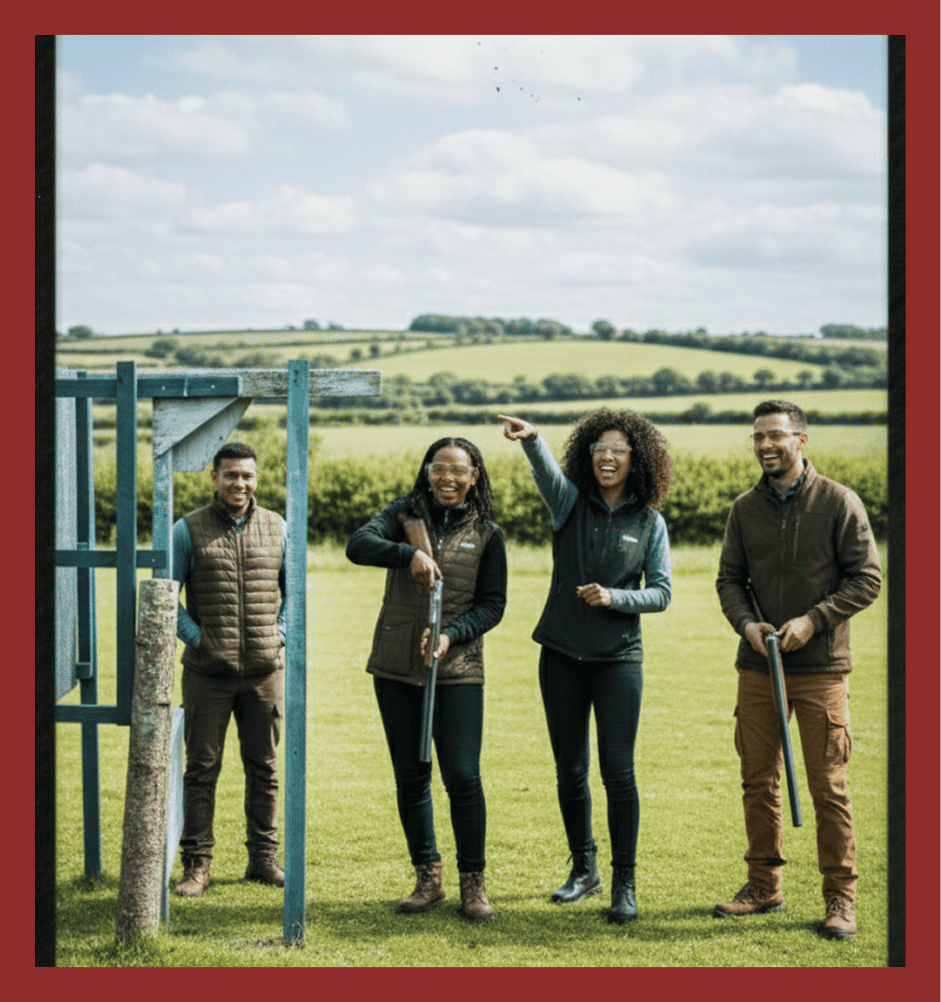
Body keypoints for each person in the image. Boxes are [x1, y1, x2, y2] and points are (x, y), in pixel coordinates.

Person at [714, 400, 882, 939]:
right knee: (757, 780)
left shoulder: (839, 503)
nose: (765, 445)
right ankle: (763, 886)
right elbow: (729, 582)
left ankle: (841, 898)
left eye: (776, 436)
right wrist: (747, 627)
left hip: (820, 668)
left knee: (827, 784)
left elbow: (867, 579)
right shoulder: (744, 508)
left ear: (801, 440)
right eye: (758, 436)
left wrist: (814, 621)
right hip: (758, 668)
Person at [499, 410, 673, 924]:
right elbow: (546, 474)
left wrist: (614, 596)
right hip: (560, 655)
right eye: (599, 448)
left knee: (618, 773)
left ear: (635, 459)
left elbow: (661, 593)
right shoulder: (569, 505)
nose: (607, 456)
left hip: (618, 660)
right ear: (588, 456)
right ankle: (584, 871)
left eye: (618, 449)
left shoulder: (650, 522)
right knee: (571, 770)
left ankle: (624, 882)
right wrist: (533, 440)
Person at [346, 436, 507, 922]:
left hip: (457, 669)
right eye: (440, 468)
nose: (449, 478)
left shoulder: (487, 534)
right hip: (396, 664)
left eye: (460, 470)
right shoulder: (402, 515)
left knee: (463, 775)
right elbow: (357, 546)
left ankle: (473, 884)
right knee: (412, 775)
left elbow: (493, 606)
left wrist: (451, 636)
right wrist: (407, 555)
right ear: (427, 470)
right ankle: (427, 878)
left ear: (474, 476)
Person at [172, 442, 287, 897]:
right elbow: (168, 593)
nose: (240, 483)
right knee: (201, 769)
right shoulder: (187, 529)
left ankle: (263, 859)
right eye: (231, 475)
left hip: (264, 672)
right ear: (214, 478)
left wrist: (279, 635)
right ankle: (196, 866)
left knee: (265, 768)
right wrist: (199, 638)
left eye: (248, 476)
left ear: (257, 479)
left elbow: (295, 593)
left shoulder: (278, 527)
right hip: (207, 674)